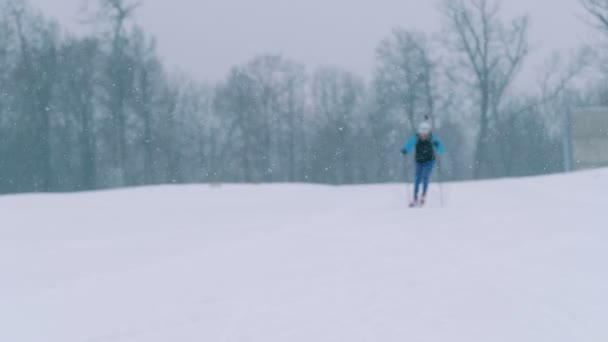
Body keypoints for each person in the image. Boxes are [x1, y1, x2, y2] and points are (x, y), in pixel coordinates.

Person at [401, 121, 445, 207]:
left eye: (425, 131)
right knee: (417, 178)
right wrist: (405, 150)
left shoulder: (432, 138)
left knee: (425, 176)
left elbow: (441, 148)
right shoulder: (416, 138)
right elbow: (409, 145)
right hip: (419, 160)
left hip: (429, 160)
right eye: (422, 131)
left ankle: (423, 195)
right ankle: (415, 197)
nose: (423, 133)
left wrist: (438, 148)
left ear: (428, 131)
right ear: (419, 131)